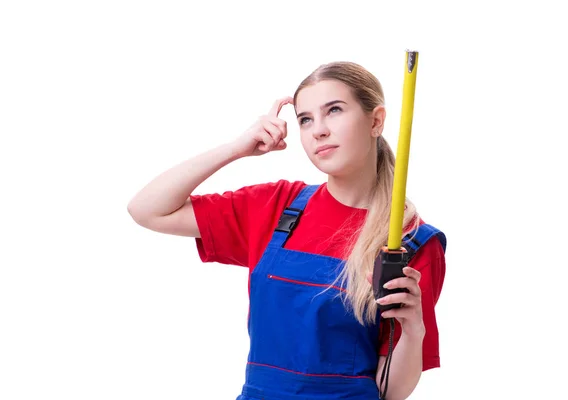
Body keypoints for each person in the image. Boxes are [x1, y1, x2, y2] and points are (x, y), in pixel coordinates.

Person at [127, 61, 447, 400]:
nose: (318, 131)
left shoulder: (410, 242)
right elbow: (147, 209)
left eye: (334, 110)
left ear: (376, 121)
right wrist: (237, 148)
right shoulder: (276, 206)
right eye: (305, 119)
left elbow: (391, 393)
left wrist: (412, 331)